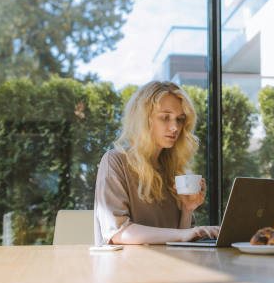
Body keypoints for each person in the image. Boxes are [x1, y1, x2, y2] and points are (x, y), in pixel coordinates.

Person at [94, 81, 220, 245]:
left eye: (180, 119)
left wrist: (187, 210)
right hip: (125, 267)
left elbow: (178, 240)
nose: (175, 127)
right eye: (165, 117)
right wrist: (185, 234)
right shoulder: (115, 161)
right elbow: (118, 233)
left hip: (166, 266)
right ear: (143, 119)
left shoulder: (175, 169)